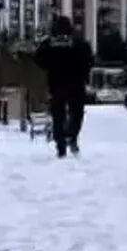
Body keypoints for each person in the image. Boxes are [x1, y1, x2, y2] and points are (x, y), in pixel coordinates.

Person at [34, 15, 95, 157]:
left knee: (58, 115)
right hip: (76, 83)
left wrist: (50, 67)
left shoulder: (50, 43)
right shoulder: (78, 42)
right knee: (77, 113)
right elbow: (89, 60)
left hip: (56, 83)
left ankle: (61, 145)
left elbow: (38, 58)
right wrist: (83, 73)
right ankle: (72, 136)